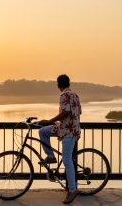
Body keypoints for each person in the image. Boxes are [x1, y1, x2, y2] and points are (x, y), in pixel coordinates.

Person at [39, 74, 82, 204]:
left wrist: (50, 121)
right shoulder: (75, 95)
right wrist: (57, 124)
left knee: (67, 160)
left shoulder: (63, 95)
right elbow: (78, 113)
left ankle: (72, 190)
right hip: (68, 128)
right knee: (43, 132)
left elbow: (66, 112)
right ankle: (51, 157)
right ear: (69, 83)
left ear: (58, 85)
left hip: (68, 131)